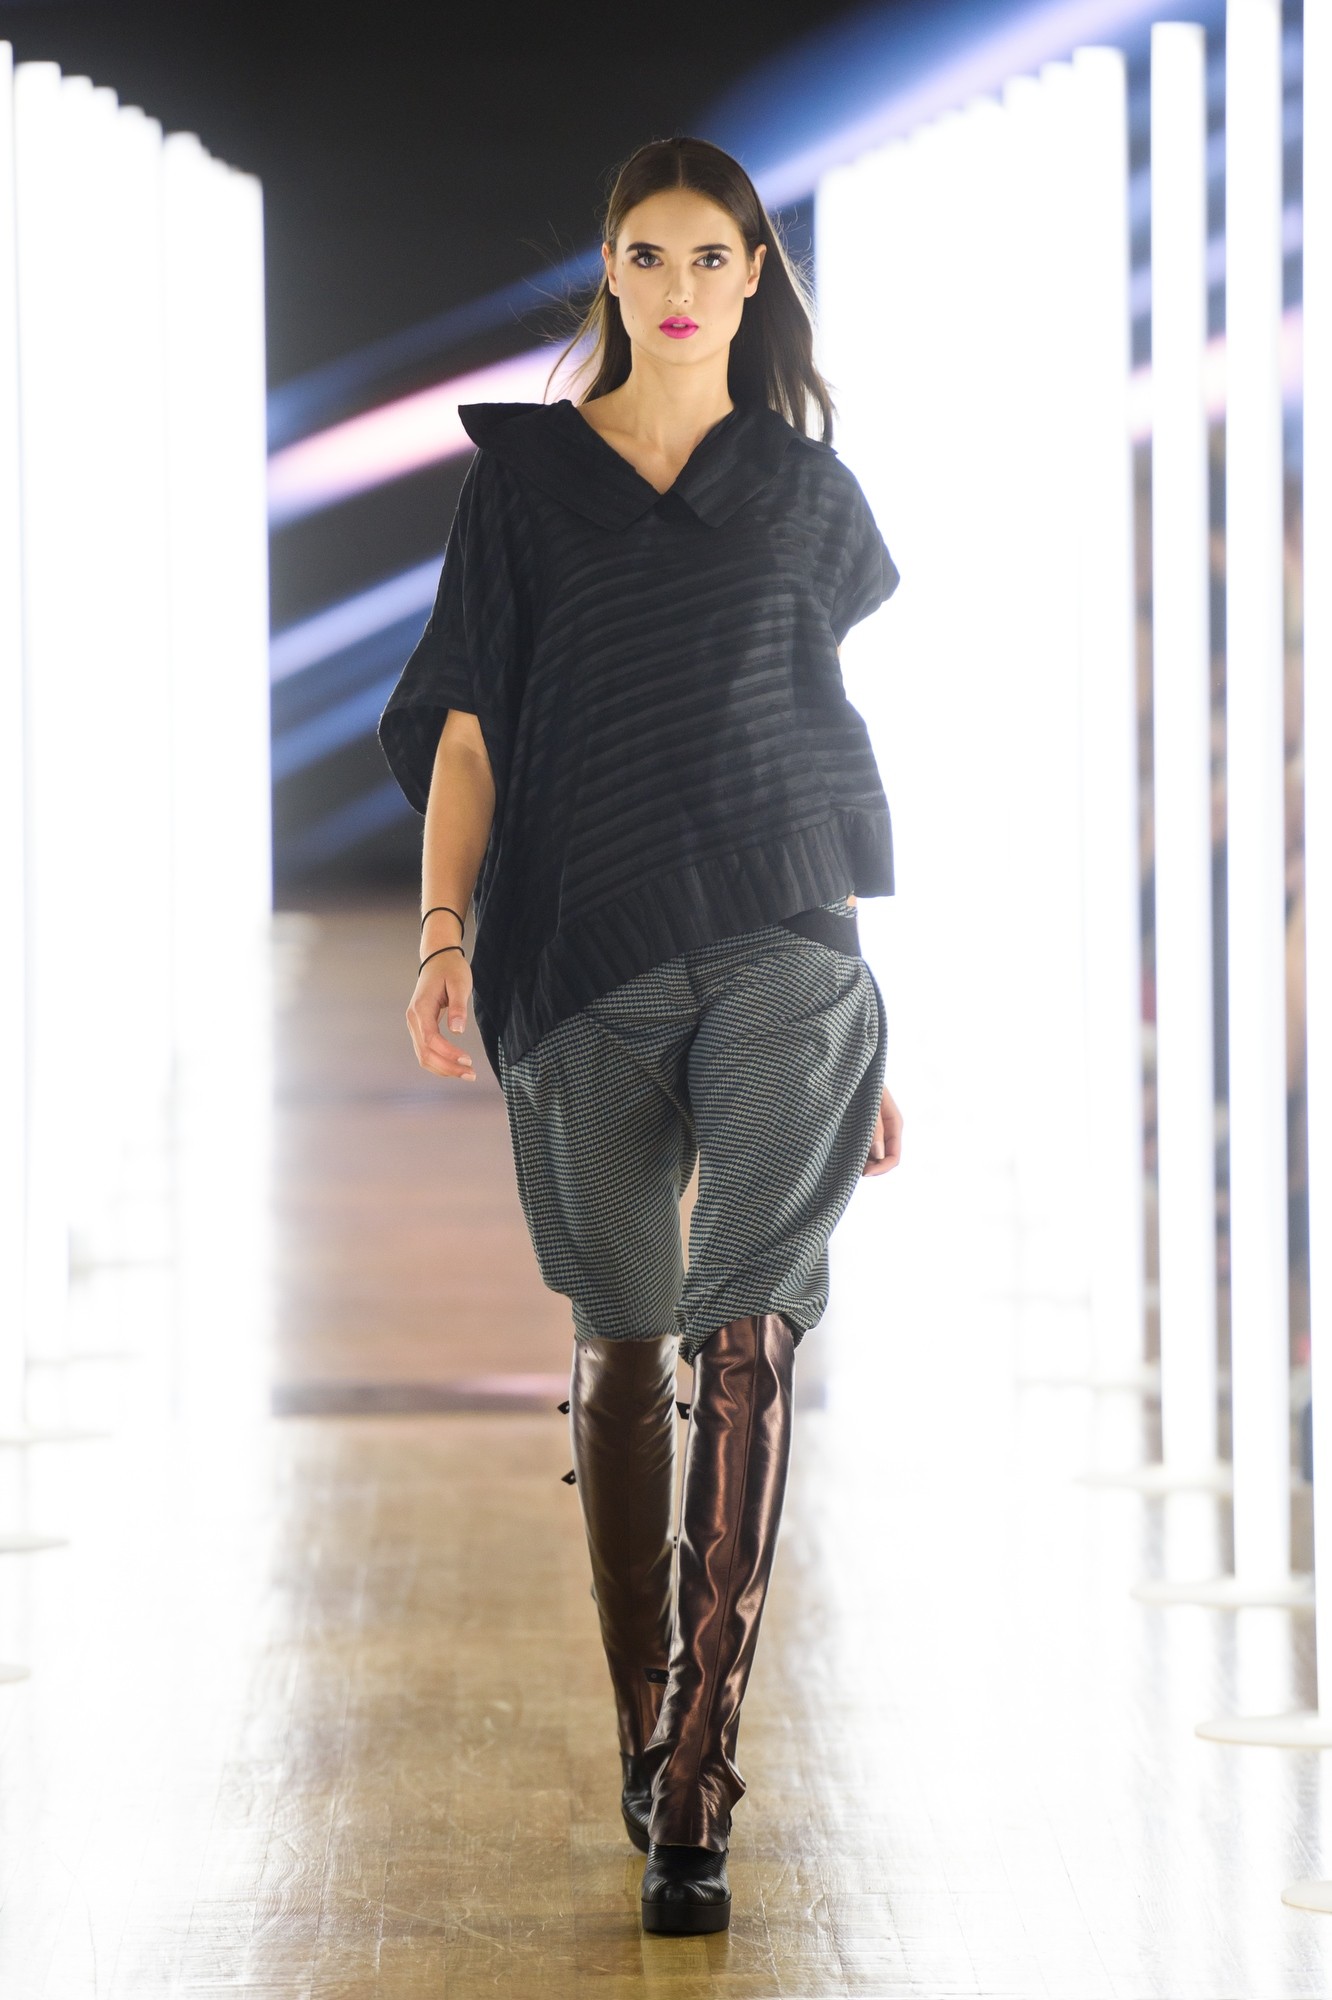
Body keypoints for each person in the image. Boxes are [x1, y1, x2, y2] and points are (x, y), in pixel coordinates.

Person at [378, 133, 904, 1938]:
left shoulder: (804, 495)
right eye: (648, 256)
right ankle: (642, 1711)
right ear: (611, 271)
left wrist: (870, 1044)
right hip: (579, 950)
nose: (679, 289)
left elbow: (805, 755)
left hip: (782, 955)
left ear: (755, 278)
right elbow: (469, 728)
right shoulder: (525, 486)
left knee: (749, 1325)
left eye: (710, 258)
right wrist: (443, 933)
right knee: (622, 1341)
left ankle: (698, 1776)